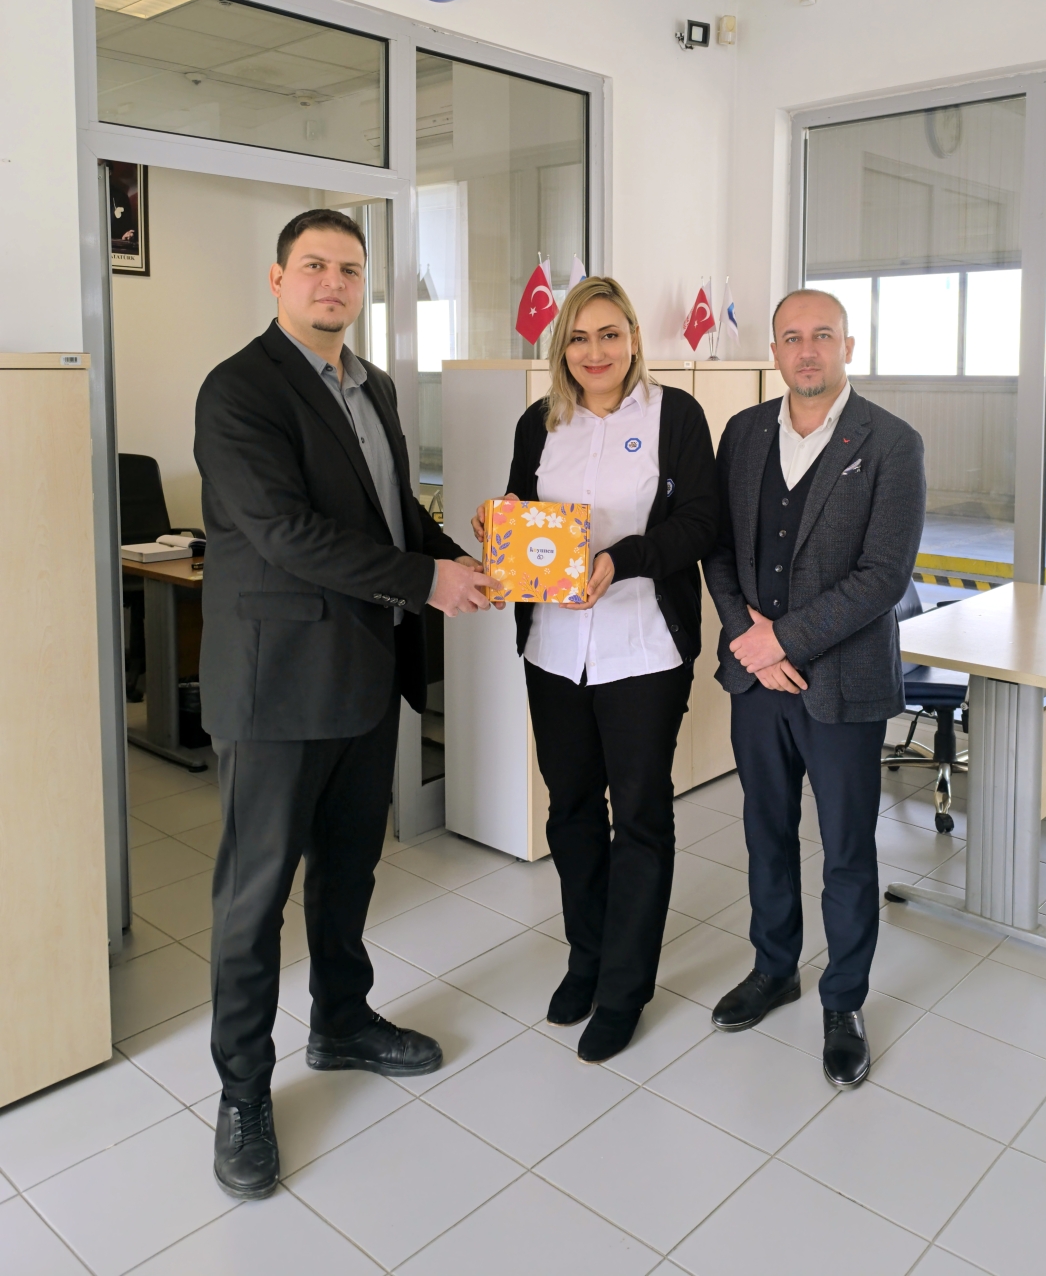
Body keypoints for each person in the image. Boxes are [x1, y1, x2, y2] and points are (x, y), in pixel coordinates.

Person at [194, 208, 494, 1200]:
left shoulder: (376, 387)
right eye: (314, 265)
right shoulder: (238, 388)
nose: (333, 283)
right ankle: (243, 1093)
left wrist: (462, 559)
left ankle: (341, 1020)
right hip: (277, 686)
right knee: (253, 901)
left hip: (364, 677)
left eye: (350, 269)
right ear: (277, 277)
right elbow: (285, 532)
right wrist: (426, 581)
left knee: (348, 873)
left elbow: (390, 515)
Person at [474, 276, 717, 1063]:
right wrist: (498, 520)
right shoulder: (540, 422)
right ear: (562, 348)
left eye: (610, 334)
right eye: (578, 338)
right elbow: (523, 509)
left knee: (640, 814)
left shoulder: (675, 416)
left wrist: (624, 559)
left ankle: (624, 988)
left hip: (643, 648)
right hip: (554, 650)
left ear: (634, 339)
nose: (595, 351)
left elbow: (701, 523)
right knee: (571, 810)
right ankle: (587, 956)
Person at [703, 289, 925, 1087]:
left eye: (822, 335)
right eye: (792, 337)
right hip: (756, 682)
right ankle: (773, 968)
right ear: (774, 351)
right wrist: (749, 640)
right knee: (766, 833)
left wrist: (782, 639)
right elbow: (717, 549)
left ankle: (844, 1001)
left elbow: (883, 576)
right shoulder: (742, 433)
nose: (807, 350)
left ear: (848, 346)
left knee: (846, 851)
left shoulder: (891, 443)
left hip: (842, 686)